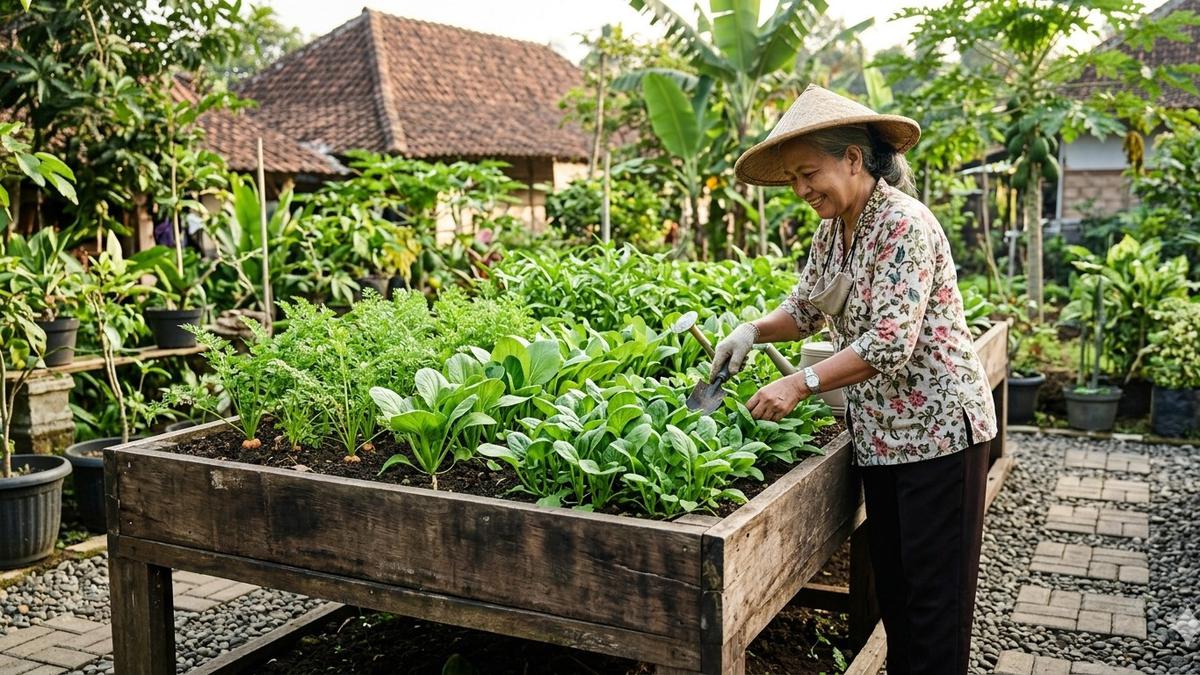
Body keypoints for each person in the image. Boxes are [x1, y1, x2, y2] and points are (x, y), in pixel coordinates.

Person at [712, 83, 998, 675]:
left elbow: (890, 342)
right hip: (883, 436)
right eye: (791, 178)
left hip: (940, 433)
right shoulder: (833, 228)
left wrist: (801, 383)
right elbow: (806, 309)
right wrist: (750, 331)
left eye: (808, 172)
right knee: (897, 595)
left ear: (853, 159)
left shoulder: (903, 224)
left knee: (934, 606)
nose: (800, 189)